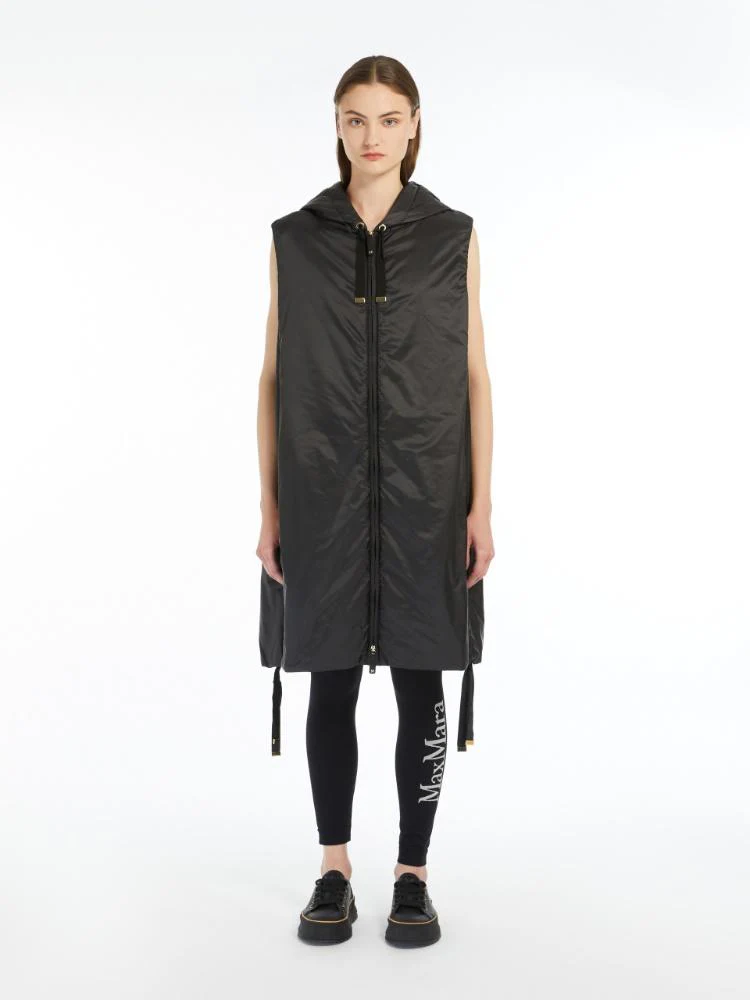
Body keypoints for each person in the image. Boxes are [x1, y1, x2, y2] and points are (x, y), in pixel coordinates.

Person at [257, 55, 494, 947]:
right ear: (336, 125)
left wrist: (479, 506)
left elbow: (474, 374)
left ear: (415, 124)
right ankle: (334, 869)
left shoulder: (452, 234)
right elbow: (272, 375)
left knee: (423, 678)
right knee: (329, 677)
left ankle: (413, 875)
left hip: (426, 495)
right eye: (355, 118)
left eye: (390, 118)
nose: (372, 136)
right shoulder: (295, 237)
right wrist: (270, 507)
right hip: (321, 495)